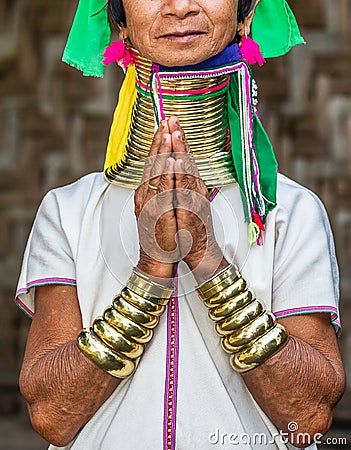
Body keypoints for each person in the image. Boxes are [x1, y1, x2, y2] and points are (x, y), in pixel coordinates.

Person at [16, 0, 345, 449]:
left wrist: (206, 259)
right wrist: (151, 269)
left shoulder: (290, 211)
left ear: (245, 16)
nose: (180, 7)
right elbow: (52, 416)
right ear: (120, 23)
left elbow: (309, 417)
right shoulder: (68, 212)